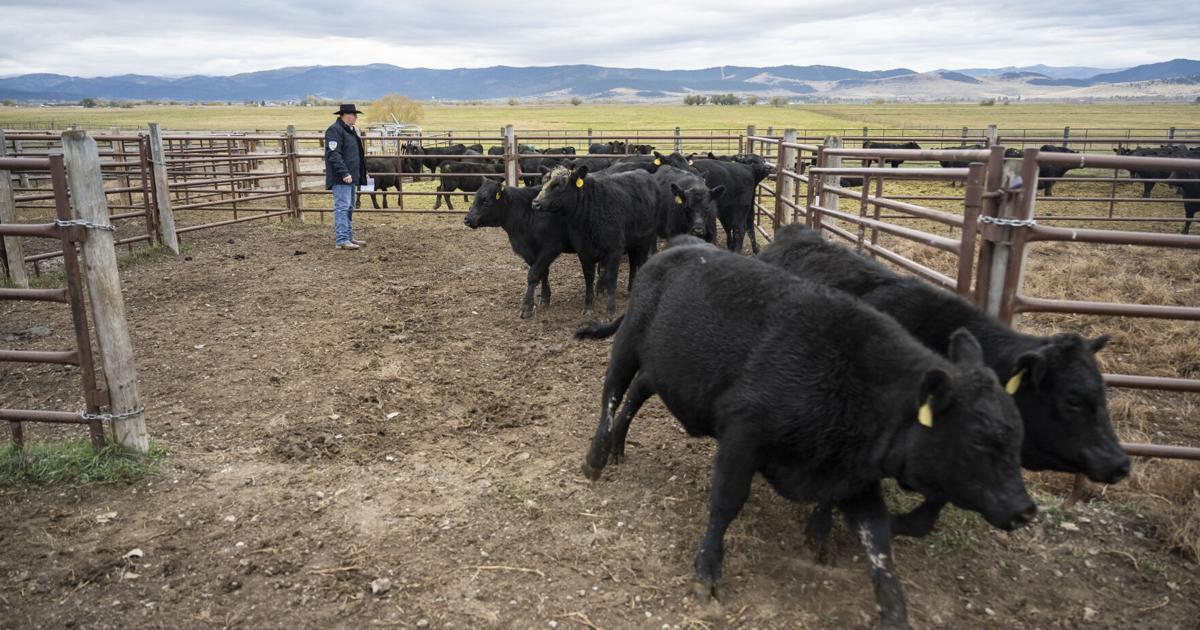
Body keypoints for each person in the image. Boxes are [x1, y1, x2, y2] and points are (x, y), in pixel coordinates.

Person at [324, 103, 368, 249]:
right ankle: (342, 239)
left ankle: (348, 237)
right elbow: (334, 154)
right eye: (354, 115)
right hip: (342, 177)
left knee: (349, 207)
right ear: (345, 115)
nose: (355, 117)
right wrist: (344, 172)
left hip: (350, 176)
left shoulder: (349, 131)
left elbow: (355, 155)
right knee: (342, 207)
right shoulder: (335, 130)